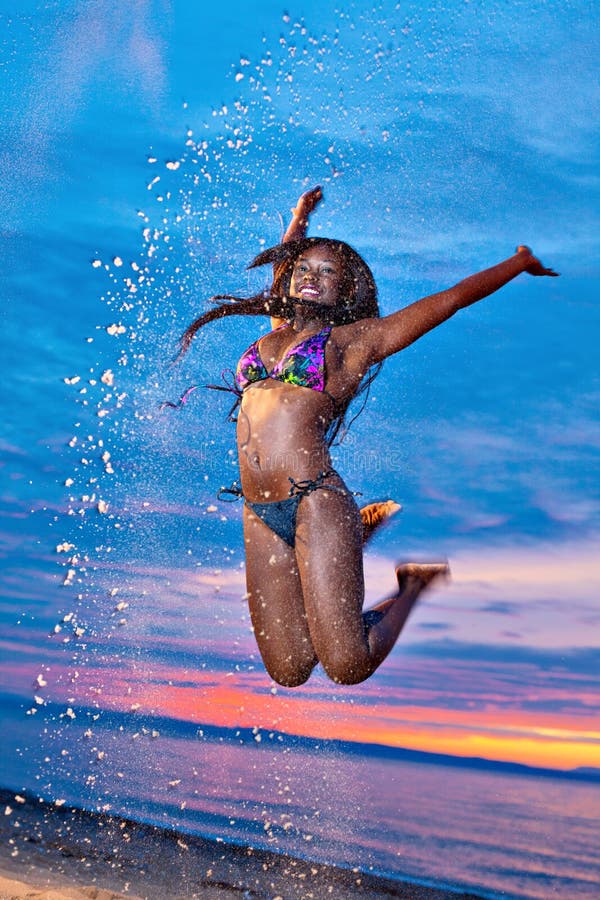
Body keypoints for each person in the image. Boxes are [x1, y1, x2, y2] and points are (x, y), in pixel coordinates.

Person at [177, 186, 558, 687]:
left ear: (346, 288)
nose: (311, 277)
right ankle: (355, 534)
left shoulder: (356, 343)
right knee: (289, 670)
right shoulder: (275, 330)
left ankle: (412, 586)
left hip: (315, 499)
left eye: (328, 272)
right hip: (258, 510)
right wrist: (298, 219)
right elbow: (285, 261)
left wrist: (519, 263)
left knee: (348, 666)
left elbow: (452, 299)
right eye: (304, 269)